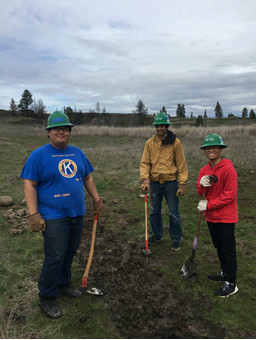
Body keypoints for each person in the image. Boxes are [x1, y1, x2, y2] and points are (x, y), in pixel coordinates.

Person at [20, 111, 104, 318]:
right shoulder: (38, 155)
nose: (61, 131)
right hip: (52, 214)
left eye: (65, 128)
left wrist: (97, 199)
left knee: (69, 251)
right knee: (55, 255)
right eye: (57, 128)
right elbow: (29, 184)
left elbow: (87, 177)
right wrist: (33, 214)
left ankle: (63, 284)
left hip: (76, 212)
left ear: (69, 131)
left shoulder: (77, 153)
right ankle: (47, 296)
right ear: (48, 132)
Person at [196, 133, 238, 298]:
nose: (211, 150)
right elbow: (201, 192)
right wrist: (201, 184)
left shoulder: (228, 169)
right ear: (205, 151)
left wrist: (209, 204)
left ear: (220, 149)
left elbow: (230, 195)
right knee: (219, 247)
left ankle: (232, 283)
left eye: (214, 147)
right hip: (211, 217)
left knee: (228, 249)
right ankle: (224, 272)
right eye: (208, 148)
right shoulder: (204, 170)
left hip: (226, 217)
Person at [140, 112, 188, 250]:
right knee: (155, 211)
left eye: (162, 126)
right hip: (155, 182)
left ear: (167, 126)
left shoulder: (176, 143)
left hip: (171, 182)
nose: (160, 128)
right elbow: (145, 163)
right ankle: (157, 235)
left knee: (173, 211)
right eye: (157, 126)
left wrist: (182, 183)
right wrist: (145, 180)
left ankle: (176, 238)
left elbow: (181, 164)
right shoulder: (150, 143)